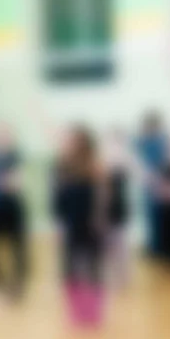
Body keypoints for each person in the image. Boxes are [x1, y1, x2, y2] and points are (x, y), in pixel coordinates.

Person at [52, 126, 107, 328]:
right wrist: (58, 224)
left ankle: (93, 311)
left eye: (74, 140)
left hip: (91, 223)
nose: (69, 143)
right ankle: (75, 312)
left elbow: (102, 195)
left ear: (84, 143)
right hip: (70, 223)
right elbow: (57, 196)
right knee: (69, 267)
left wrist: (99, 219)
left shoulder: (95, 165)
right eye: (68, 140)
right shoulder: (61, 165)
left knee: (93, 266)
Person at [0, 122, 27, 300]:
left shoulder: (15, 156)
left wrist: (2, 182)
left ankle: (17, 285)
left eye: (5, 134)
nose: (1, 138)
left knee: (17, 247)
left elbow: (15, 183)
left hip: (11, 208)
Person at [102, 129, 132, 290]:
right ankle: (111, 277)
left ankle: (122, 277)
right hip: (104, 211)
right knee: (107, 246)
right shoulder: (101, 163)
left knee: (120, 245)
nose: (112, 147)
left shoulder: (123, 164)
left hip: (118, 209)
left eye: (115, 143)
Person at [135, 111, 169, 257]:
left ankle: (158, 246)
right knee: (150, 215)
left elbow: (164, 161)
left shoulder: (160, 140)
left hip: (159, 181)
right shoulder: (145, 140)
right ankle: (153, 245)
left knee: (158, 215)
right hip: (149, 181)